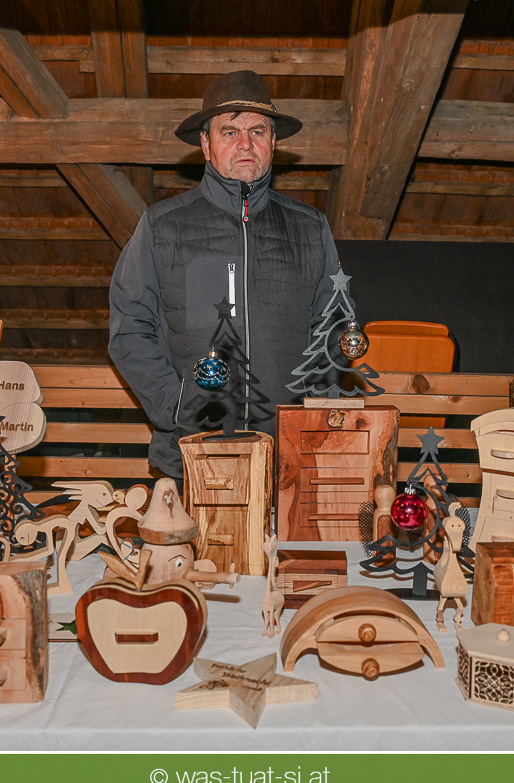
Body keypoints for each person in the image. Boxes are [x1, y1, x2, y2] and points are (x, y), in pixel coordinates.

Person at [108, 71, 341, 479]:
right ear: (206, 144)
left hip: (289, 462)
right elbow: (129, 330)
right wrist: (178, 406)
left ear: (273, 142)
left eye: (257, 131)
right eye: (229, 132)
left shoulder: (310, 228)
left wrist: (314, 418)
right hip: (191, 457)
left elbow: (334, 328)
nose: (245, 143)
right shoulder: (163, 226)